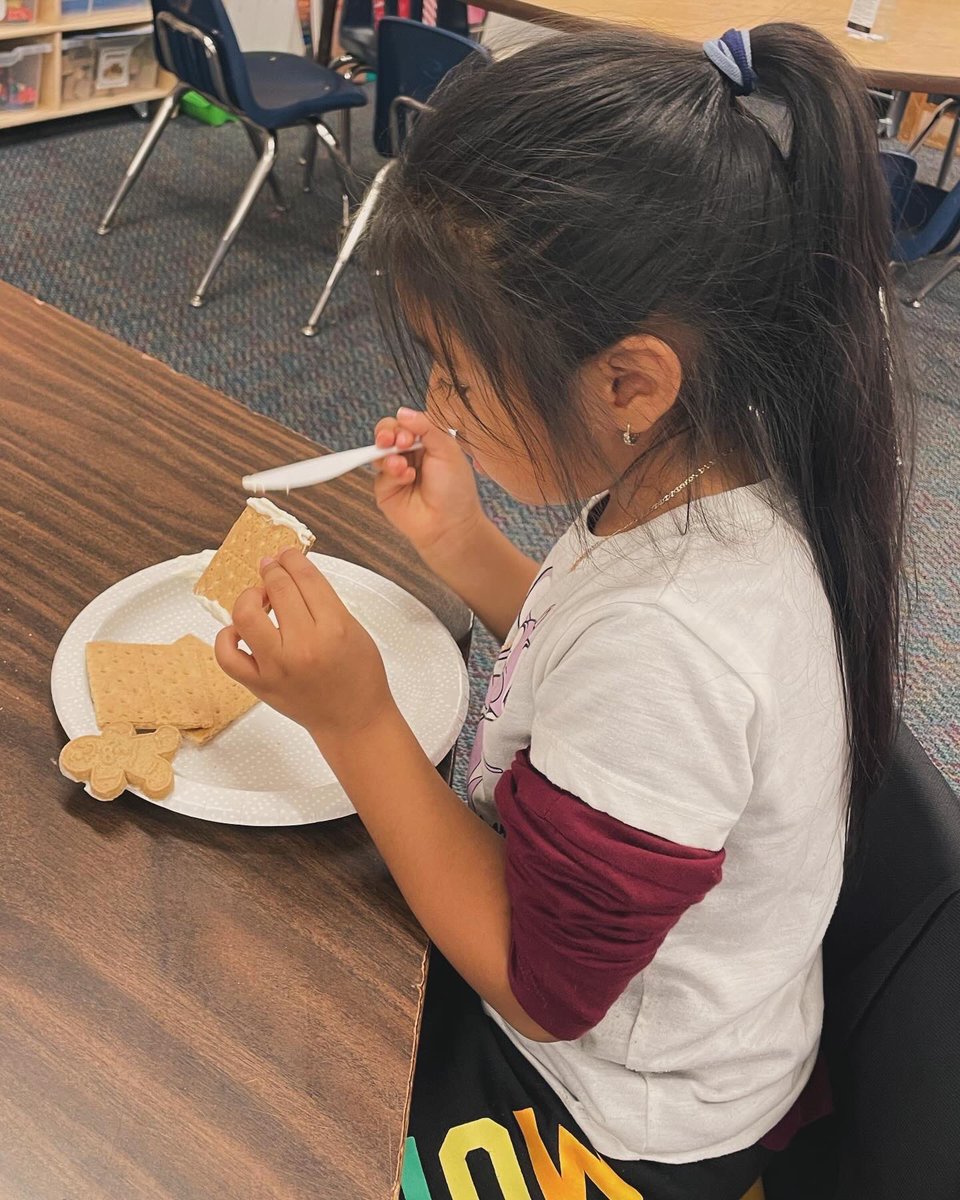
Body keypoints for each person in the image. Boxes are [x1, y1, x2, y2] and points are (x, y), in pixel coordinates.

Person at [215, 23, 913, 1199]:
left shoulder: (678, 643)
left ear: (630, 380)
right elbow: (592, 657)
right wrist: (466, 546)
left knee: (246, 1084)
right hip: (669, 1007)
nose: (435, 398)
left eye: (457, 366)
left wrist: (355, 721)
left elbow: (543, 983)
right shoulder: (711, 480)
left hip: (618, 1112)